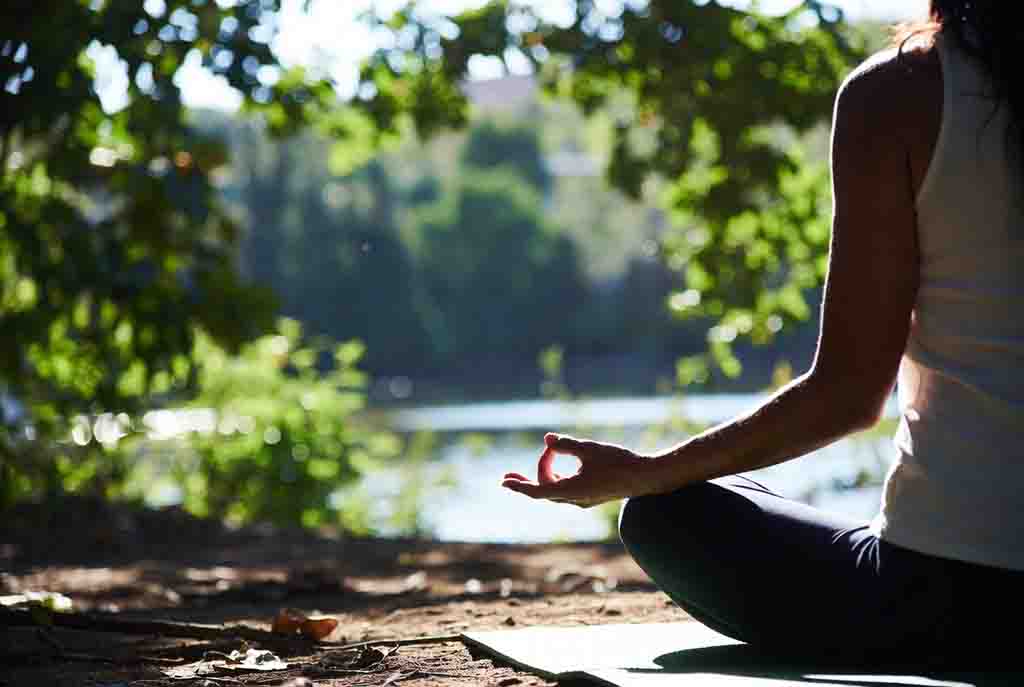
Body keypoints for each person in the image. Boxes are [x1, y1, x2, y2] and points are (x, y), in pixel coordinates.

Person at [502, 0, 1024, 664]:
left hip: (949, 599)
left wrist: (647, 472)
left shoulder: (899, 94)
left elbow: (848, 394)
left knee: (665, 512)